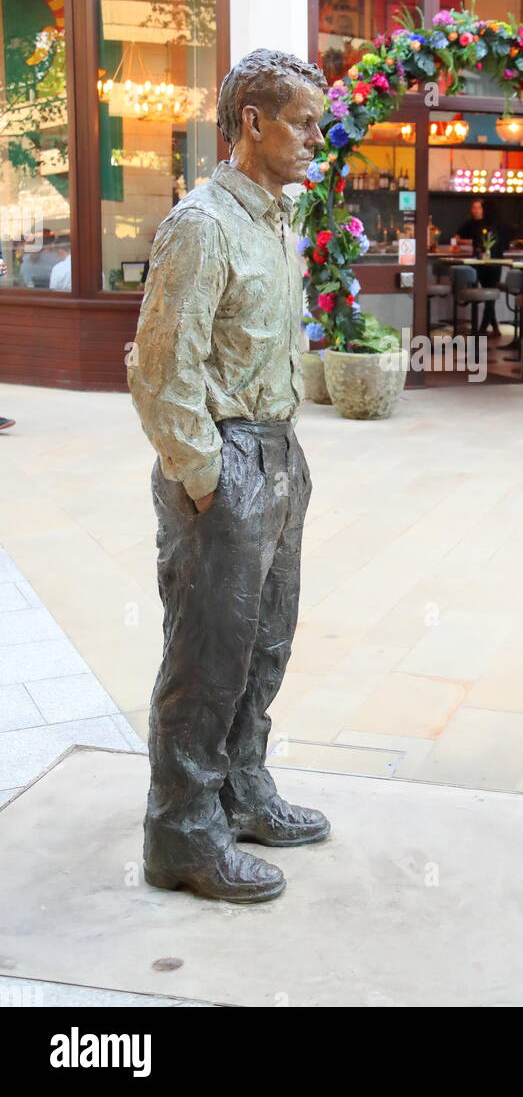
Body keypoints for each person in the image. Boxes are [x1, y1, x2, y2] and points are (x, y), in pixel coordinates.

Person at [127, 48, 330, 904]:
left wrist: (282, 466)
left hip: (279, 452)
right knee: (207, 656)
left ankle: (240, 789)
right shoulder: (202, 223)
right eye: (305, 122)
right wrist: (208, 480)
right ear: (253, 122)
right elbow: (160, 369)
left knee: (266, 640)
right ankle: (182, 833)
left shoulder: (273, 219)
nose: (318, 139)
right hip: (226, 461)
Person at [457, 197, 507, 335]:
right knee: (489, 295)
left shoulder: (485, 226)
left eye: (481, 208)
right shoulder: (497, 225)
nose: (478, 210)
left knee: (489, 295)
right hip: (495, 263)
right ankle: (493, 328)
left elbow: (478, 245)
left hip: (485, 264)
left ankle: (483, 328)